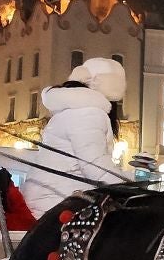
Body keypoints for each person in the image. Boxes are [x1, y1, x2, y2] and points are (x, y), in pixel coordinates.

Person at [16, 57, 128, 217]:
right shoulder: (89, 113)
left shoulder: (71, 110)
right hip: (58, 202)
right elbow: (95, 166)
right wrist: (128, 188)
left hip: (49, 196)